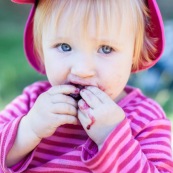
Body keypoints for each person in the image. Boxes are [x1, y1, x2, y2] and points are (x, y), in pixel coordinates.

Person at [0, 0, 173, 172]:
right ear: (41, 47)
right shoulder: (32, 104)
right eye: (64, 46)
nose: (82, 70)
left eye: (106, 49)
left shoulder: (145, 118)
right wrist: (29, 129)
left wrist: (112, 136)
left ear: (135, 53)